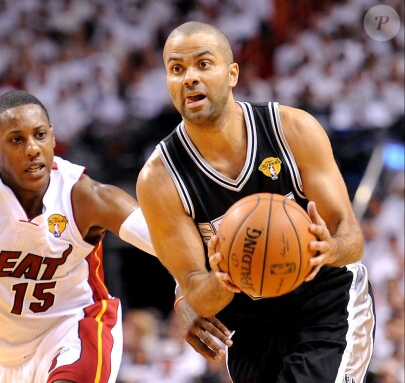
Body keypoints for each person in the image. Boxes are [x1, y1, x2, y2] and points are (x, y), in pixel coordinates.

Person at [0, 89, 232, 383]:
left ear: (53, 139)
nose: (32, 148)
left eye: (40, 135)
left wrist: (188, 291)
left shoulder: (85, 197)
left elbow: (169, 241)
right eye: (17, 140)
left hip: (76, 327)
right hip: (1, 358)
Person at [136, 21, 376, 383]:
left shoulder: (292, 129)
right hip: (249, 325)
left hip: (325, 302)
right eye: (176, 68)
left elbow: (352, 240)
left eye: (203, 64)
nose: (189, 78)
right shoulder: (159, 180)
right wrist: (223, 278)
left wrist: (330, 249)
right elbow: (197, 295)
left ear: (232, 74)